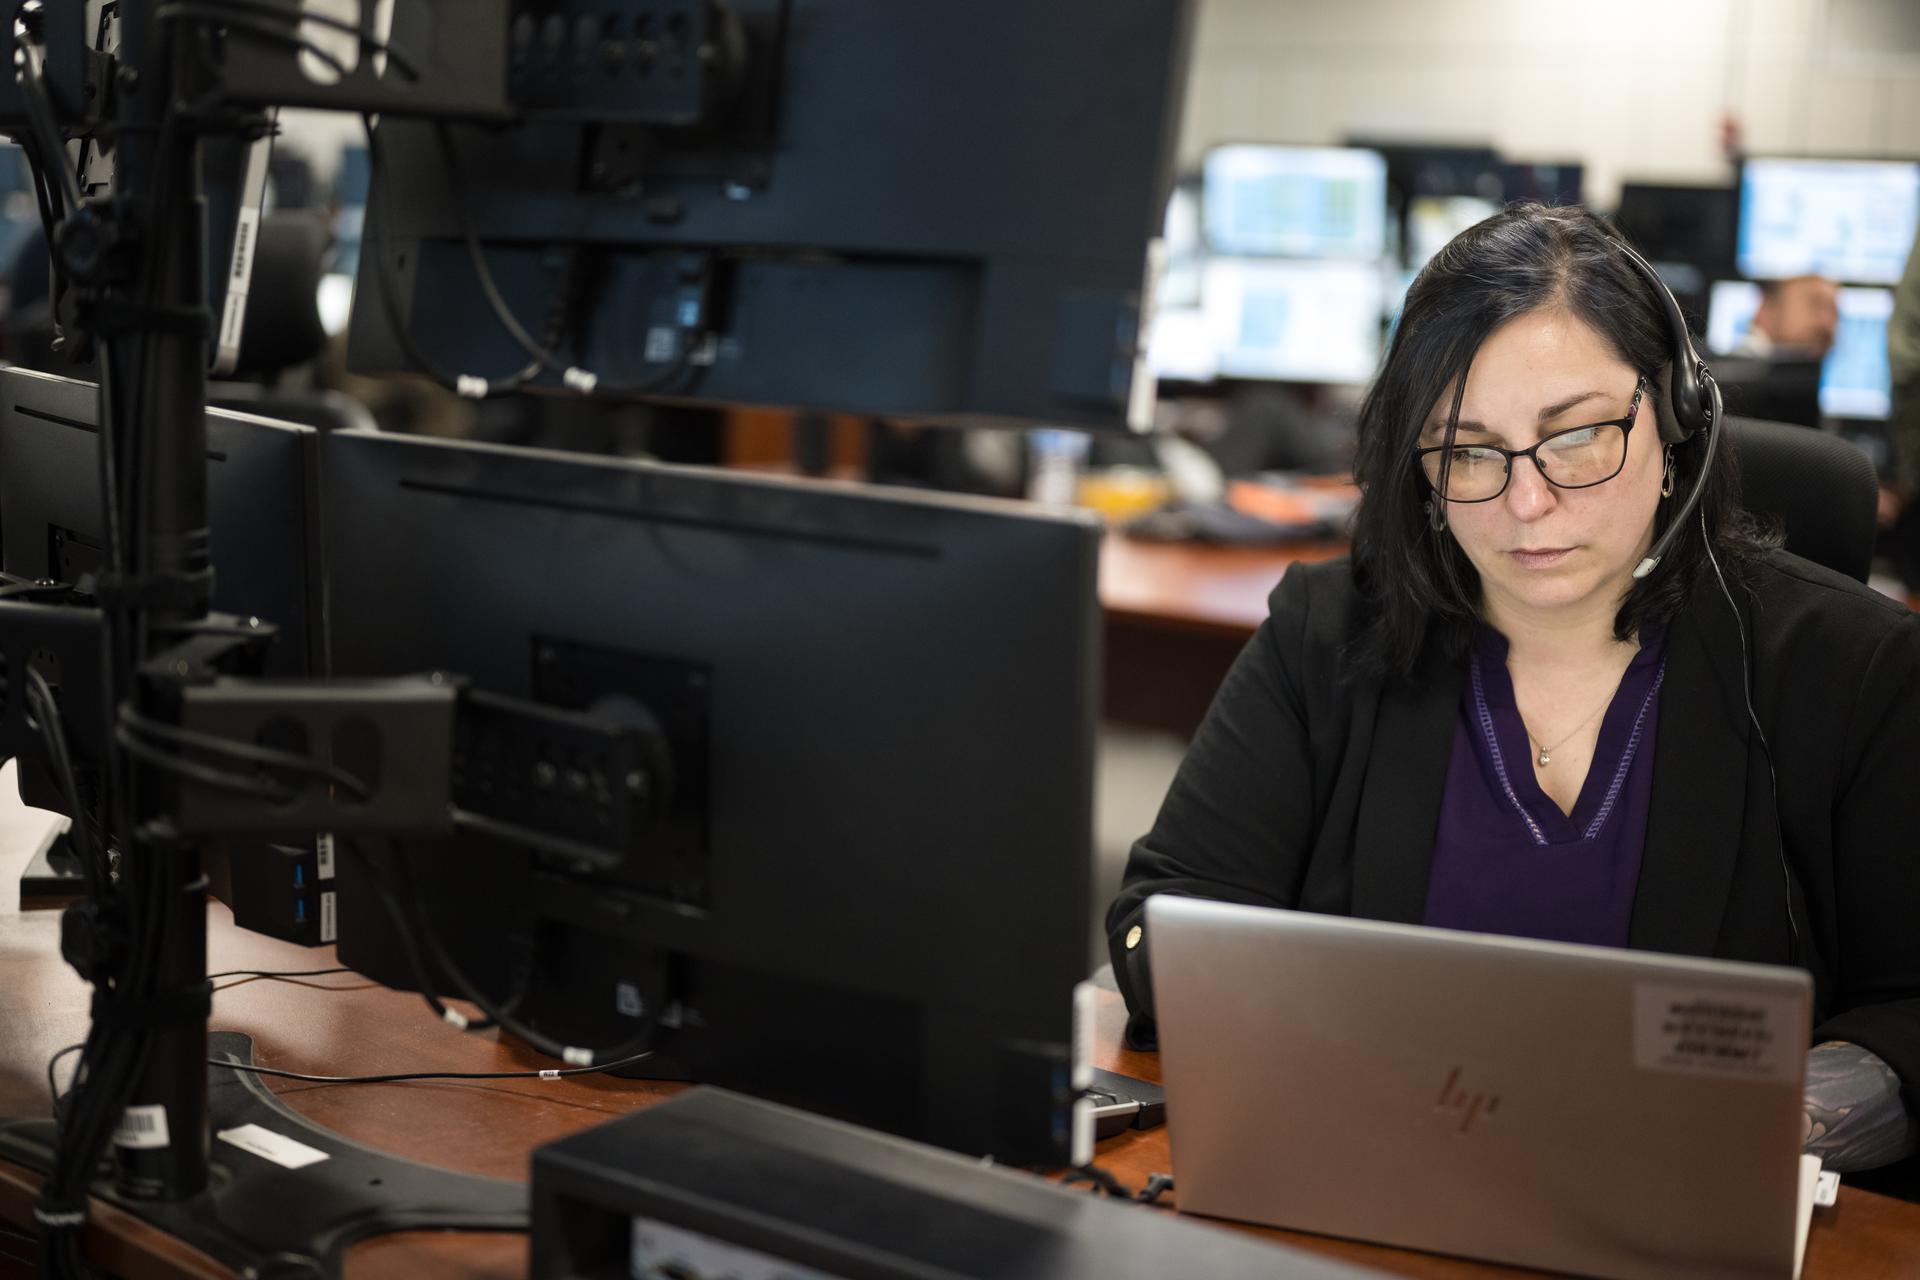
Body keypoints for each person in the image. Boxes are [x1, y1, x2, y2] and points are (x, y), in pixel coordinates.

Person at [1106, 204, 1920, 1178]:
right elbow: (1170, 917)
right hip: (1379, 1193)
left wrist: (1771, 1125)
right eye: (1466, 450)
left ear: (1677, 420)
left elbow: (1909, 1008)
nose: (1526, 501)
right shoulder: (1327, 633)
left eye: (1575, 436)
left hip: (1686, 1211)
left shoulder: (1852, 665)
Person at [1731, 273, 1840, 360]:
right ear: (1768, 305)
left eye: (1834, 311)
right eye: (1816, 304)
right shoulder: (1732, 371)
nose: (1827, 322)